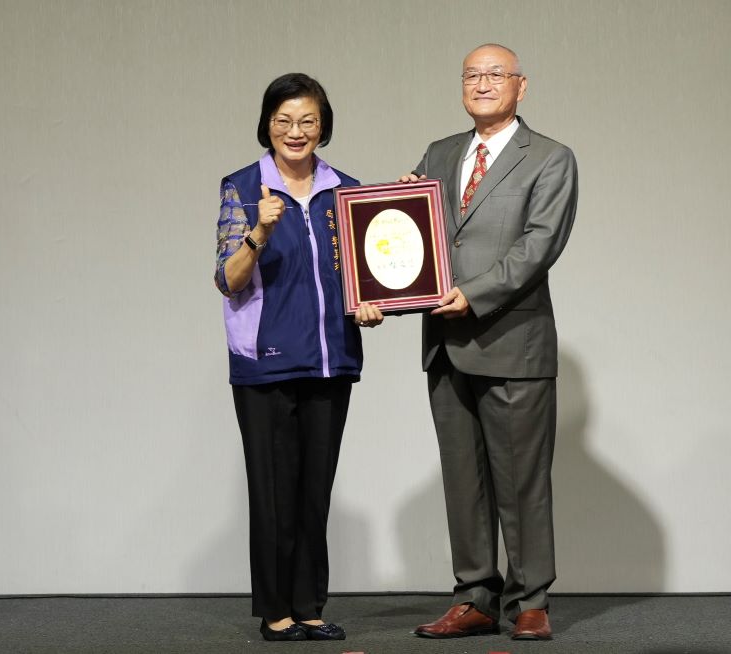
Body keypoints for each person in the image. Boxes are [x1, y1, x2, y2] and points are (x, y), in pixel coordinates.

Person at [399, 44, 578, 640]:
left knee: (521, 479)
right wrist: (396, 214)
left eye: (494, 75)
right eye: (472, 75)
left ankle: (531, 601)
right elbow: (413, 236)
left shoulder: (550, 158)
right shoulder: (440, 153)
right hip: (445, 342)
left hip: (512, 339)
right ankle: (474, 595)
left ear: (520, 86)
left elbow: (540, 244)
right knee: (463, 479)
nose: (482, 84)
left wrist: (473, 293)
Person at [214, 73, 383, 642]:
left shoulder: (347, 191)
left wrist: (372, 303)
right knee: (272, 491)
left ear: (323, 127)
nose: (296, 131)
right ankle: (275, 610)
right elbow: (227, 279)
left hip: (331, 359)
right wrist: (259, 230)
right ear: (266, 124)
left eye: (307, 121)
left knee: (315, 488)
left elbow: (366, 277)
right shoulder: (242, 187)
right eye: (284, 120)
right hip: (265, 362)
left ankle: (310, 605)